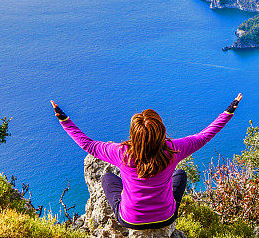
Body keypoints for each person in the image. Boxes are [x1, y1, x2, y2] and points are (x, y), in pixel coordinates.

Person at [51, 94, 242, 230]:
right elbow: (204, 136)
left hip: (131, 220)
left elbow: (89, 145)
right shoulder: (173, 150)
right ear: (161, 130)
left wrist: (64, 119)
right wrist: (228, 111)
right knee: (180, 175)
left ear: (133, 134)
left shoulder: (121, 153)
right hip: (166, 218)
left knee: (108, 178)